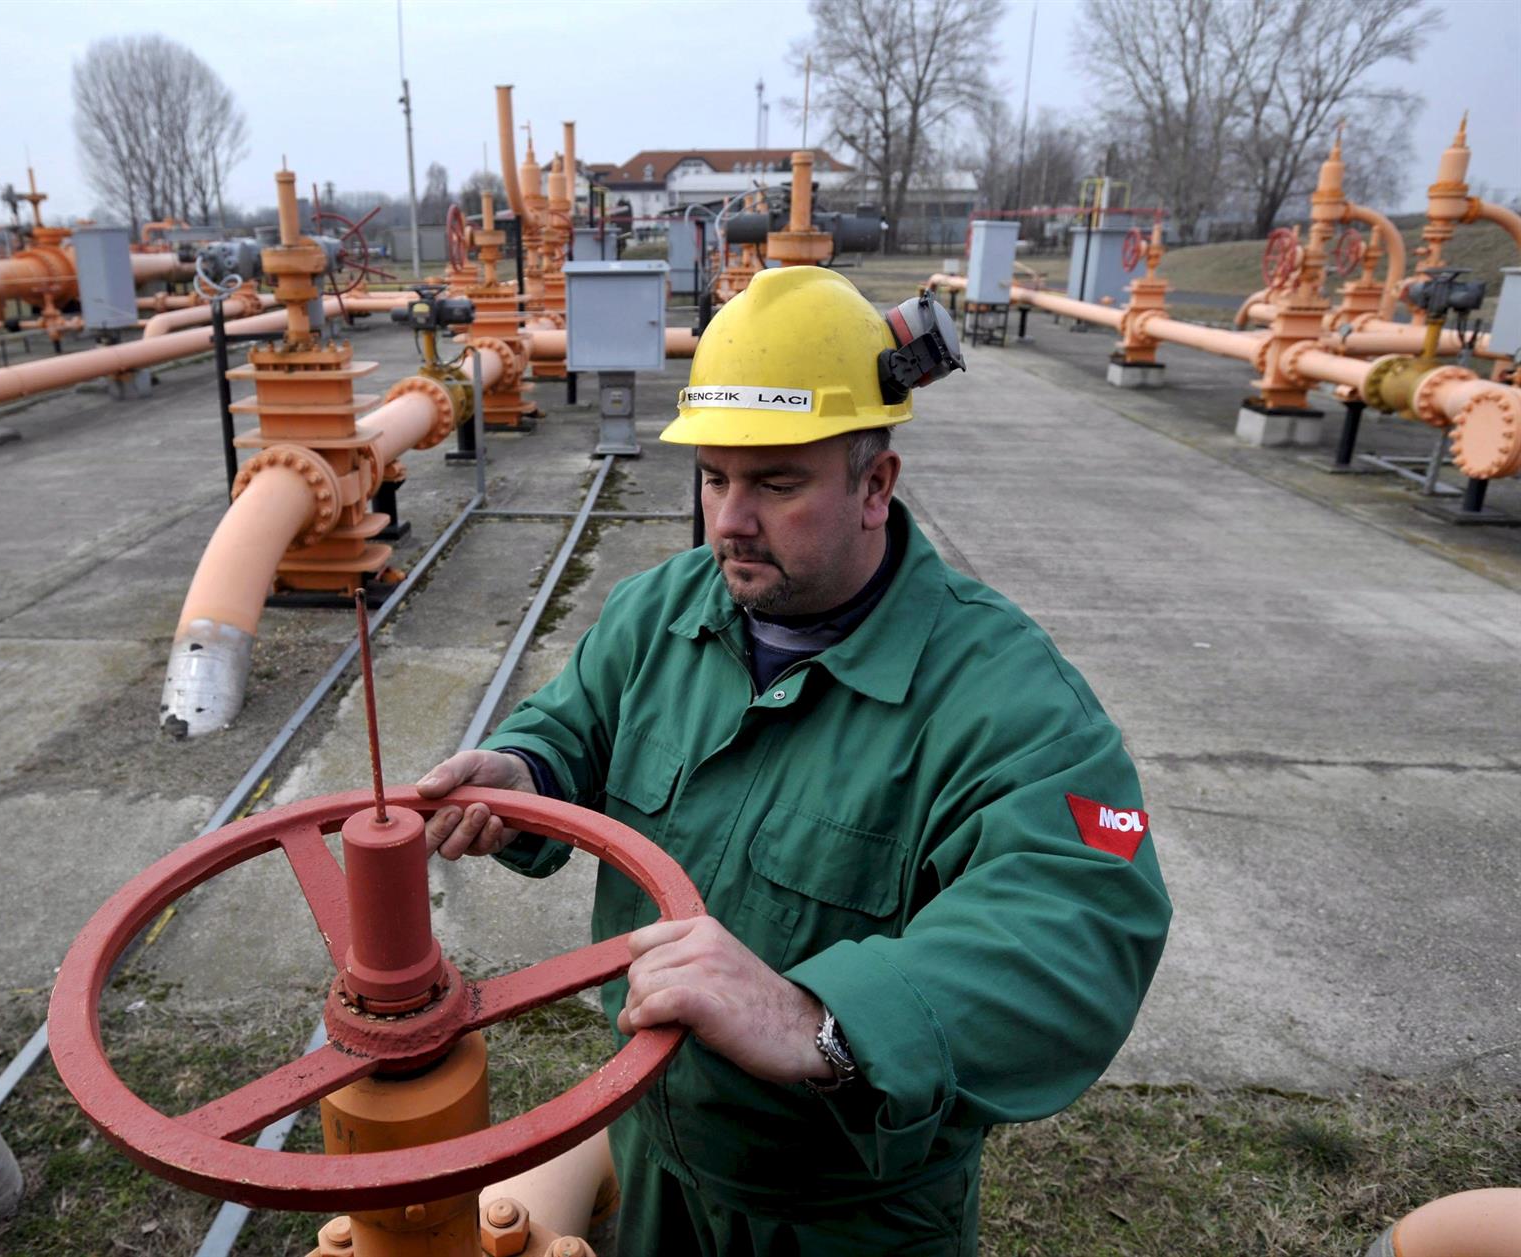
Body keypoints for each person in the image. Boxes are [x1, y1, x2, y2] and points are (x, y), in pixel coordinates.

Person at [417, 265, 1172, 1255]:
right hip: (657, 1156)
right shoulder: (662, 612)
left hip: (846, 1216)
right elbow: (576, 721)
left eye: (776, 482)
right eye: (715, 476)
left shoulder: (1007, 702)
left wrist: (821, 1019)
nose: (730, 519)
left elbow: (1078, 929)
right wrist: (526, 771)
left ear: (875, 485)